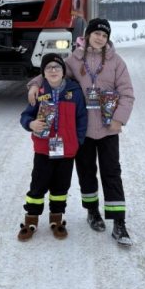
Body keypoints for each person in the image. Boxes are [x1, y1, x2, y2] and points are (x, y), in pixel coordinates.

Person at [28, 18, 135, 247]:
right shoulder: (75, 60)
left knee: (111, 172)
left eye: (104, 35)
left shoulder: (116, 62)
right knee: (86, 172)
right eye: (96, 33)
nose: (100, 38)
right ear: (87, 35)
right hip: (84, 130)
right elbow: (52, 70)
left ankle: (119, 221)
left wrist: (119, 119)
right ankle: (92, 212)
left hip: (108, 129)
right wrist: (35, 84)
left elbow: (127, 93)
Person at [18, 53, 87, 242]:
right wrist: (31, 124)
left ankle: (56, 218)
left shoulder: (74, 91)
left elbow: (82, 118)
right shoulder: (39, 92)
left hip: (67, 150)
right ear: (43, 73)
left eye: (57, 67)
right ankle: (31, 218)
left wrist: (77, 141)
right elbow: (25, 115)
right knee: (38, 184)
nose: (53, 70)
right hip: (43, 149)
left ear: (64, 71)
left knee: (61, 185)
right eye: (49, 68)